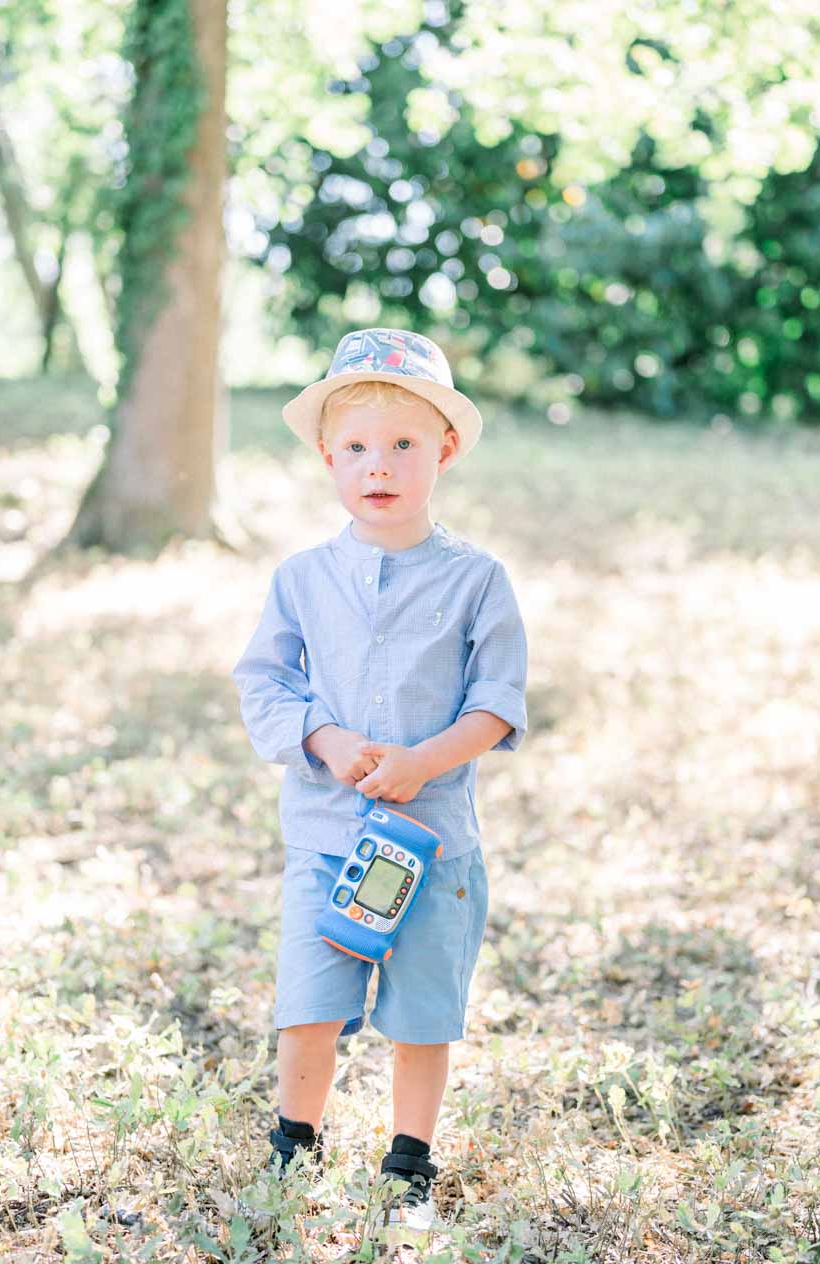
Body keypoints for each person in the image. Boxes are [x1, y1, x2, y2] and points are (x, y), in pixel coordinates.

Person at [231, 327, 529, 1242]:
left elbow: (498, 701)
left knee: (423, 1006)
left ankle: (409, 1158)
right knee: (310, 997)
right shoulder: (303, 578)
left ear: (443, 450)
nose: (379, 466)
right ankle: (295, 1138)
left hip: (430, 841)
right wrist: (322, 736)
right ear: (328, 457)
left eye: (403, 444)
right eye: (356, 447)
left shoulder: (478, 580)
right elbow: (264, 683)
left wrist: (425, 760)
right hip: (326, 835)